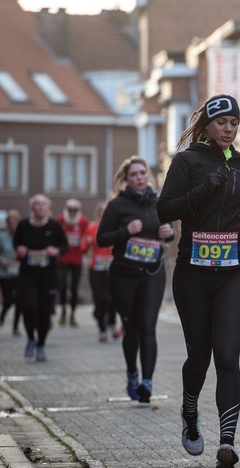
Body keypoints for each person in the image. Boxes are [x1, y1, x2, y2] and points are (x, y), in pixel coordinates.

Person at [158, 94, 240, 468]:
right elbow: (165, 209)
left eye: (234, 123)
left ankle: (227, 441)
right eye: (222, 122)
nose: (229, 129)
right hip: (193, 272)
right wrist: (205, 189)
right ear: (207, 126)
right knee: (200, 356)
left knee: (227, 355)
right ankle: (190, 411)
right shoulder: (187, 161)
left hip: (234, 271)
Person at [99, 156, 175, 403]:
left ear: (147, 175)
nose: (139, 177)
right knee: (131, 328)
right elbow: (102, 239)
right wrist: (126, 231)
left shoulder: (159, 202)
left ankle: (147, 382)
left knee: (147, 326)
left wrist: (169, 232)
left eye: (142, 173)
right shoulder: (117, 206)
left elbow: (169, 233)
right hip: (123, 275)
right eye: (134, 174)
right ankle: (132, 373)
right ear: (126, 179)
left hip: (152, 273)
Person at [14, 194, 69, 362]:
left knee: (45, 311)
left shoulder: (54, 226)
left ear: (48, 207)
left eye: (43, 204)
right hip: (28, 274)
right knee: (29, 307)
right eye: (37, 204)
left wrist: (56, 251)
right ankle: (31, 338)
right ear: (32, 207)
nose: (40, 207)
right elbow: (16, 243)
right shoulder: (23, 225)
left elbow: (65, 246)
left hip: (48, 274)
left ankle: (41, 345)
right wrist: (20, 250)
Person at [83, 201, 118, 343]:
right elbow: (83, 247)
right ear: (98, 213)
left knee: (113, 298)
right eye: (102, 210)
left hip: (113, 267)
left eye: (107, 210)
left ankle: (113, 323)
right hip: (96, 268)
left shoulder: (117, 226)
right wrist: (87, 243)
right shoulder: (92, 227)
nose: (104, 212)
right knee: (100, 299)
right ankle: (102, 329)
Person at [56, 198, 89, 327]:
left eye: (75, 210)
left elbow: (86, 238)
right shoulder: (60, 220)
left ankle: (73, 315)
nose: (72, 212)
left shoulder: (83, 221)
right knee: (63, 286)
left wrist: (85, 249)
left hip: (77, 259)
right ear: (66, 209)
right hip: (63, 259)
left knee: (74, 288)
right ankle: (63, 311)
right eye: (70, 209)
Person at [0, 209, 22, 336]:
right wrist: (2, 260)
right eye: (10, 222)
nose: (12, 225)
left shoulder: (22, 237)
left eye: (14, 222)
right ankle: (2, 314)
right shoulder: (2, 238)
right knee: (8, 299)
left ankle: (15, 326)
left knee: (19, 300)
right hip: (5, 273)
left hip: (19, 272)